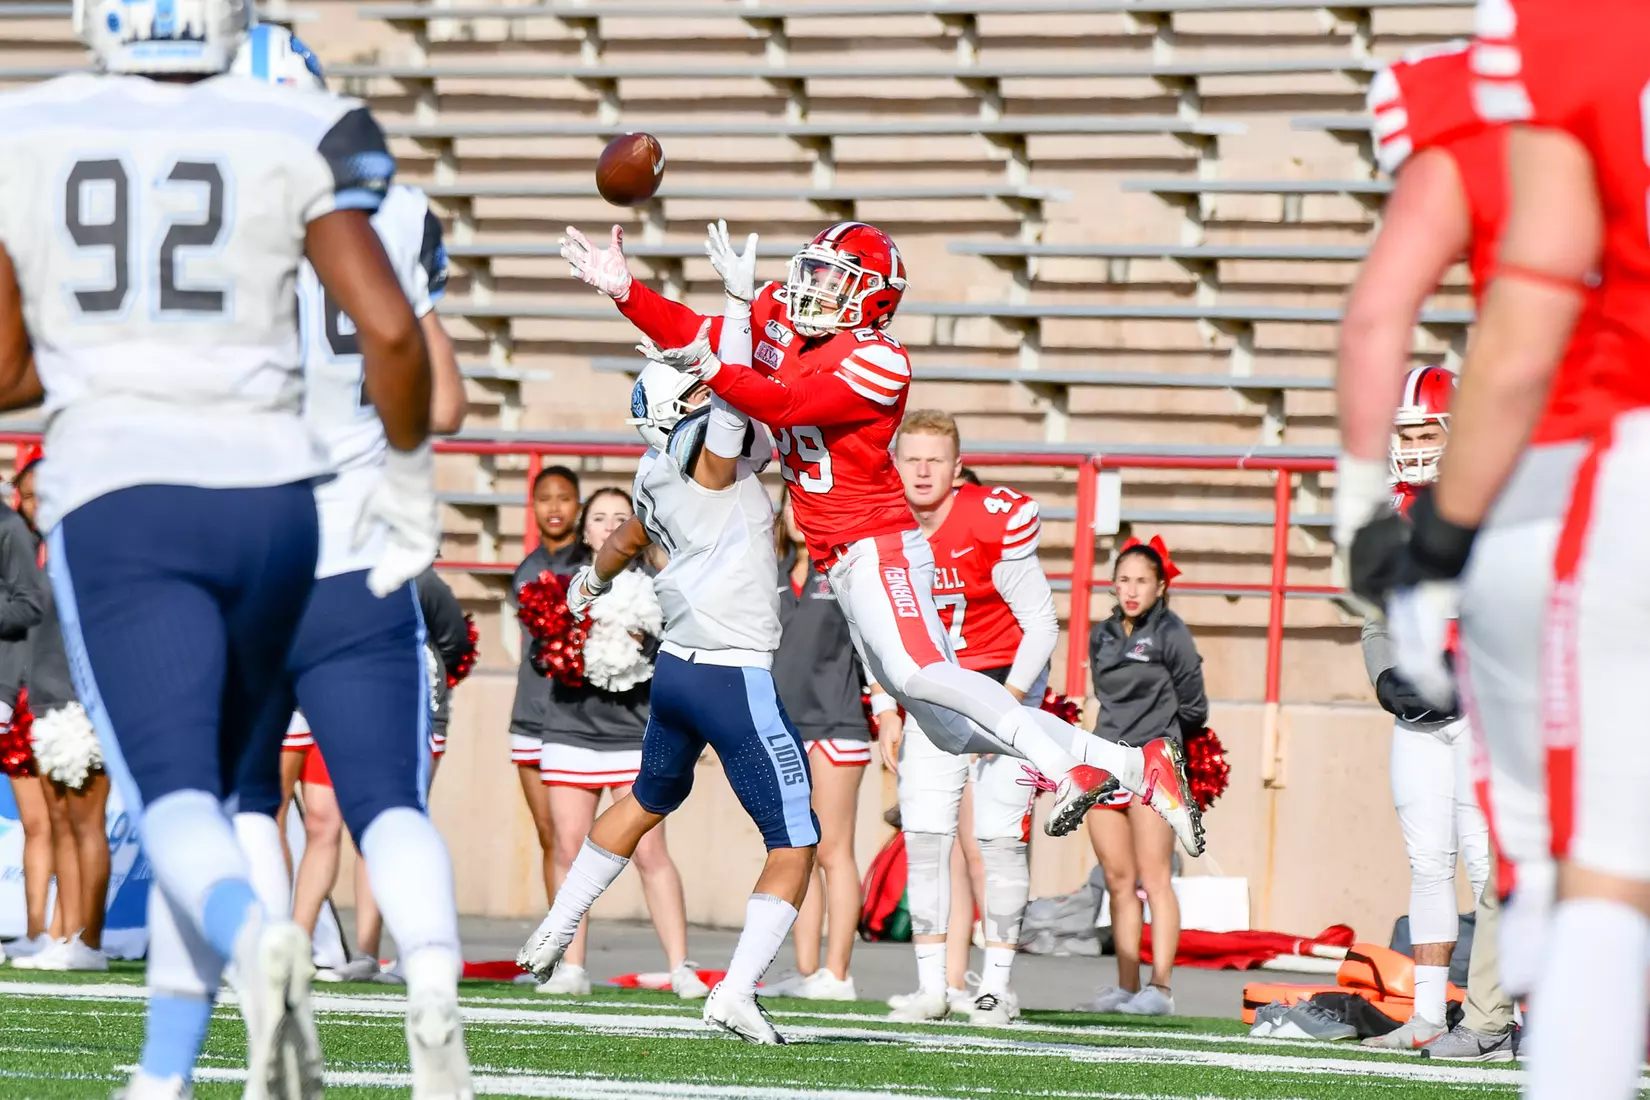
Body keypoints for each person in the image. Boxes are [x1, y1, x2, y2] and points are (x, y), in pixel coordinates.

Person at [0, 1, 438, 1092]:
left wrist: (97, 357)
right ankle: (164, 1073)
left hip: (124, 496)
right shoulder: (303, 127)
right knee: (250, 787)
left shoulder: (30, 126)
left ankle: (253, 940)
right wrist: (409, 476)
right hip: (278, 499)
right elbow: (393, 331)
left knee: (185, 800)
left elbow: (7, 370)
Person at [559, 218, 1203, 852]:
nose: (813, 290)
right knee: (949, 731)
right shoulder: (781, 316)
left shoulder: (879, 360)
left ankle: (1068, 770)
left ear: (873, 299)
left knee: (921, 672)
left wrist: (713, 361)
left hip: (879, 544)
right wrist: (625, 292)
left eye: (834, 281)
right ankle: (1135, 764)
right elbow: (693, 331)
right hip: (840, 558)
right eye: (814, 273)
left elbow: (783, 404)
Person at [1348, 3, 1650, 1094]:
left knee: (1589, 855)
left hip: (1599, 471)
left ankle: (1556, 1020)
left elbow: (1483, 328)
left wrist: (1425, 539)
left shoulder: (1559, 54)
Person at [220, 25, 471, 1096]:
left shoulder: (190, 210)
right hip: (359, 550)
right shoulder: (394, 211)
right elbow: (444, 401)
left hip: (238, 549)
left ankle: (269, 970)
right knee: (388, 804)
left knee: (244, 799)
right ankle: (433, 978)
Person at [521, 234, 818, 1042]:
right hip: (730, 672)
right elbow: (729, 405)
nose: (710, 393)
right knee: (796, 840)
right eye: (695, 392)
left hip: (681, 671)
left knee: (649, 798)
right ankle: (736, 992)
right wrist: (735, 309)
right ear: (678, 411)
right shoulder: (701, 459)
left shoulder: (650, 472)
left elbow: (623, 538)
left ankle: (556, 926)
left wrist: (589, 582)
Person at [878, 410, 1056, 1026]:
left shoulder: (988, 520)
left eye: (935, 460)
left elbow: (1041, 624)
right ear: (895, 465)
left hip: (1005, 687)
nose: (922, 471)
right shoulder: (885, 528)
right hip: (933, 694)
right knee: (925, 838)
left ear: (957, 469)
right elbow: (872, 630)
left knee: (999, 839)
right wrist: (885, 708)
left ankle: (995, 988)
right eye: (912, 458)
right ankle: (932, 986)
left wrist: (1006, 705)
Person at [1355, 367, 1491, 1049]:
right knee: (1429, 863)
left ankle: (1506, 1016)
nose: (1410, 447)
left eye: (1423, 433)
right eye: (1404, 435)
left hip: (1479, 712)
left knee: (1488, 865)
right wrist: (1386, 677)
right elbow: (1375, 617)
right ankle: (1429, 1016)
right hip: (1417, 720)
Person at [534, 485, 703, 999]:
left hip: (634, 733)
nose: (609, 526)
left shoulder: (662, 585)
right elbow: (540, 657)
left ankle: (680, 966)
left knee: (650, 852)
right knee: (569, 849)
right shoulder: (558, 588)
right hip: (571, 730)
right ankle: (570, 966)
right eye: (599, 518)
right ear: (585, 531)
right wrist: (569, 642)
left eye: (620, 517)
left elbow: (679, 653)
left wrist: (645, 644)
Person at [1082, 537, 1207, 1018]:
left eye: (1141, 581)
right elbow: (1104, 695)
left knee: (1155, 877)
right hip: (1106, 761)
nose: (1131, 590)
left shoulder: (1171, 633)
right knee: (1117, 880)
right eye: (1124, 580)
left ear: (1160, 586)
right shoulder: (1102, 634)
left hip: (1153, 763)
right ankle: (1126, 985)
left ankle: (1161, 988)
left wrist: (1163, 742)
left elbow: (1195, 706)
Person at [766, 490, 870, 1002]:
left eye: (807, 504)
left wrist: (887, 714)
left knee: (832, 849)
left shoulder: (847, 573)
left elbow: (873, 650)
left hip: (837, 724)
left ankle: (838, 973)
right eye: (791, 504)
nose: (798, 514)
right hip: (781, 726)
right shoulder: (771, 572)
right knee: (796, 849)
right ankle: (807, 970)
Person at [14, 455, 111, 973]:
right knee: (59, 822)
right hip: (46, 702)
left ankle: (89, 940)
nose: (35, 506)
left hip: (84, 703)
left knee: (86, 823)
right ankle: (66, 935)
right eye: (28, 497)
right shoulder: (36, 553)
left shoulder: (90, 551)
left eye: (43, 494)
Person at [510, 464, 585, 907]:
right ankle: (556, 938)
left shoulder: (592, 567)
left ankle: (573, 935)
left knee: (573, 838)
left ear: (578, 505)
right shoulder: (525, 570)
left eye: (564, 498)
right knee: (548, 834)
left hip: (575, 721)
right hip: (529, 718)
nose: (554, 507)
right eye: (544, 498)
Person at [0, 455, 46, 960]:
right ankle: (39, 932)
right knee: (39, 822)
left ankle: (51, 932)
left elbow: (29, 607)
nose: (34, 506)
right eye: (28, 495)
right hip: (17, 686)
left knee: (48, 822)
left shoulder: (11, 531)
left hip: (29, 692)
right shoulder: (18, 533)